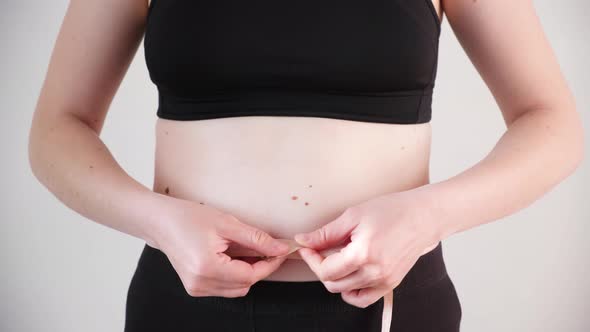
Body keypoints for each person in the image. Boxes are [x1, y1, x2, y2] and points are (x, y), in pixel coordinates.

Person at [28, 0, 584, 331]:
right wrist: (157, 221)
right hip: (186, 303)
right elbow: (58, 129)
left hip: (382, 307)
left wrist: (429, 216)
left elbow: (551, 123)